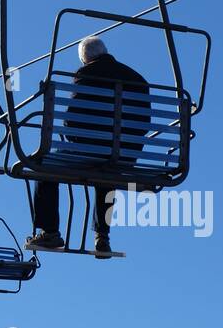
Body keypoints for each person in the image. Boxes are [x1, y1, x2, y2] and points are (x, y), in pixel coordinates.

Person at [24, 36, 150, 258]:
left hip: (89, 152)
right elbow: (144, 123)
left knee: (41, 163)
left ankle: (50, 232)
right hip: (124, 155)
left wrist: (74, 139)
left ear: (85, 59)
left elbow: (71, 120)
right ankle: (102, 235)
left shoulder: (85, 75)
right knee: (107, 172)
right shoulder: (137, 78)